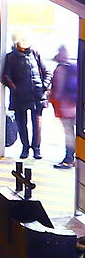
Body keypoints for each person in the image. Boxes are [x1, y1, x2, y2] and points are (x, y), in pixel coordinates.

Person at [2, 35, 51, 161]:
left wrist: (43, 86)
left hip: (36, 95)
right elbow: (6, 76)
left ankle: (36, 148)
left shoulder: (35, 54)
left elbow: (47, 72)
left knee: (37, 124)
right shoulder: (10, 57)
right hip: (20, 96)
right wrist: (15, 88)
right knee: (21, 124)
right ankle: (25, 147)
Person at [51, 43, 79, 171]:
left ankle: (68, 159)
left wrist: (54, 101)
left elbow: (58, 91)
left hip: (65, 106)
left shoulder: (61, 69)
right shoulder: (75, 68)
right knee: (75, 133)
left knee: (69, 134)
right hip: (76, 105)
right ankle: (76, 158)